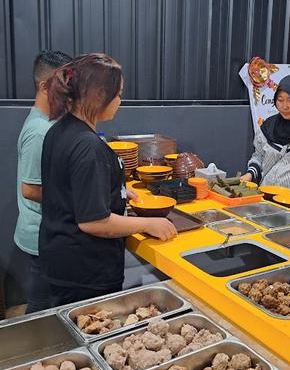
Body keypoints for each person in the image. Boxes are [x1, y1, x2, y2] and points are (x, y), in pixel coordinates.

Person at [39, 53, 177, 307]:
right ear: (98, 95)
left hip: (61, 261)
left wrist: (116, 192)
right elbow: (93, 222)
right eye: (118, 94)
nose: (120, 101)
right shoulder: (88, 146)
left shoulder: (59, 130)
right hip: (84, 271)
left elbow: (69, 189)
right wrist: (147, 225)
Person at [13, 50, 72, 314]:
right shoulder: (39, 132)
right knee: (41, 308)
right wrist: (79, 196)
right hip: (40, 238)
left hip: (45, 235)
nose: (70, 90)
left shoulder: (49, 122)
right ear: (44, 85)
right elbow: (30, 189)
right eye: (64, 82)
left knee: (46, 304)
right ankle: (37, 354)